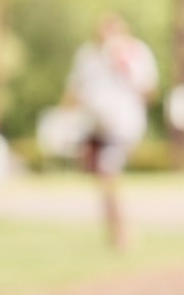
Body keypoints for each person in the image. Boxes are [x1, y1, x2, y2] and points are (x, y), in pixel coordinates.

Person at [63, 13, 157, 252]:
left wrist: (123, 65)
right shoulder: (87, 55)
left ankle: (121, 234)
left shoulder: (136, 52)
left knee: (108, 174)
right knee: (102, 179)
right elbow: (75, 89)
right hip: (94, 125)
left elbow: (148, 91)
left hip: (122, 126)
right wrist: (65, 118)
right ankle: (116, 230)